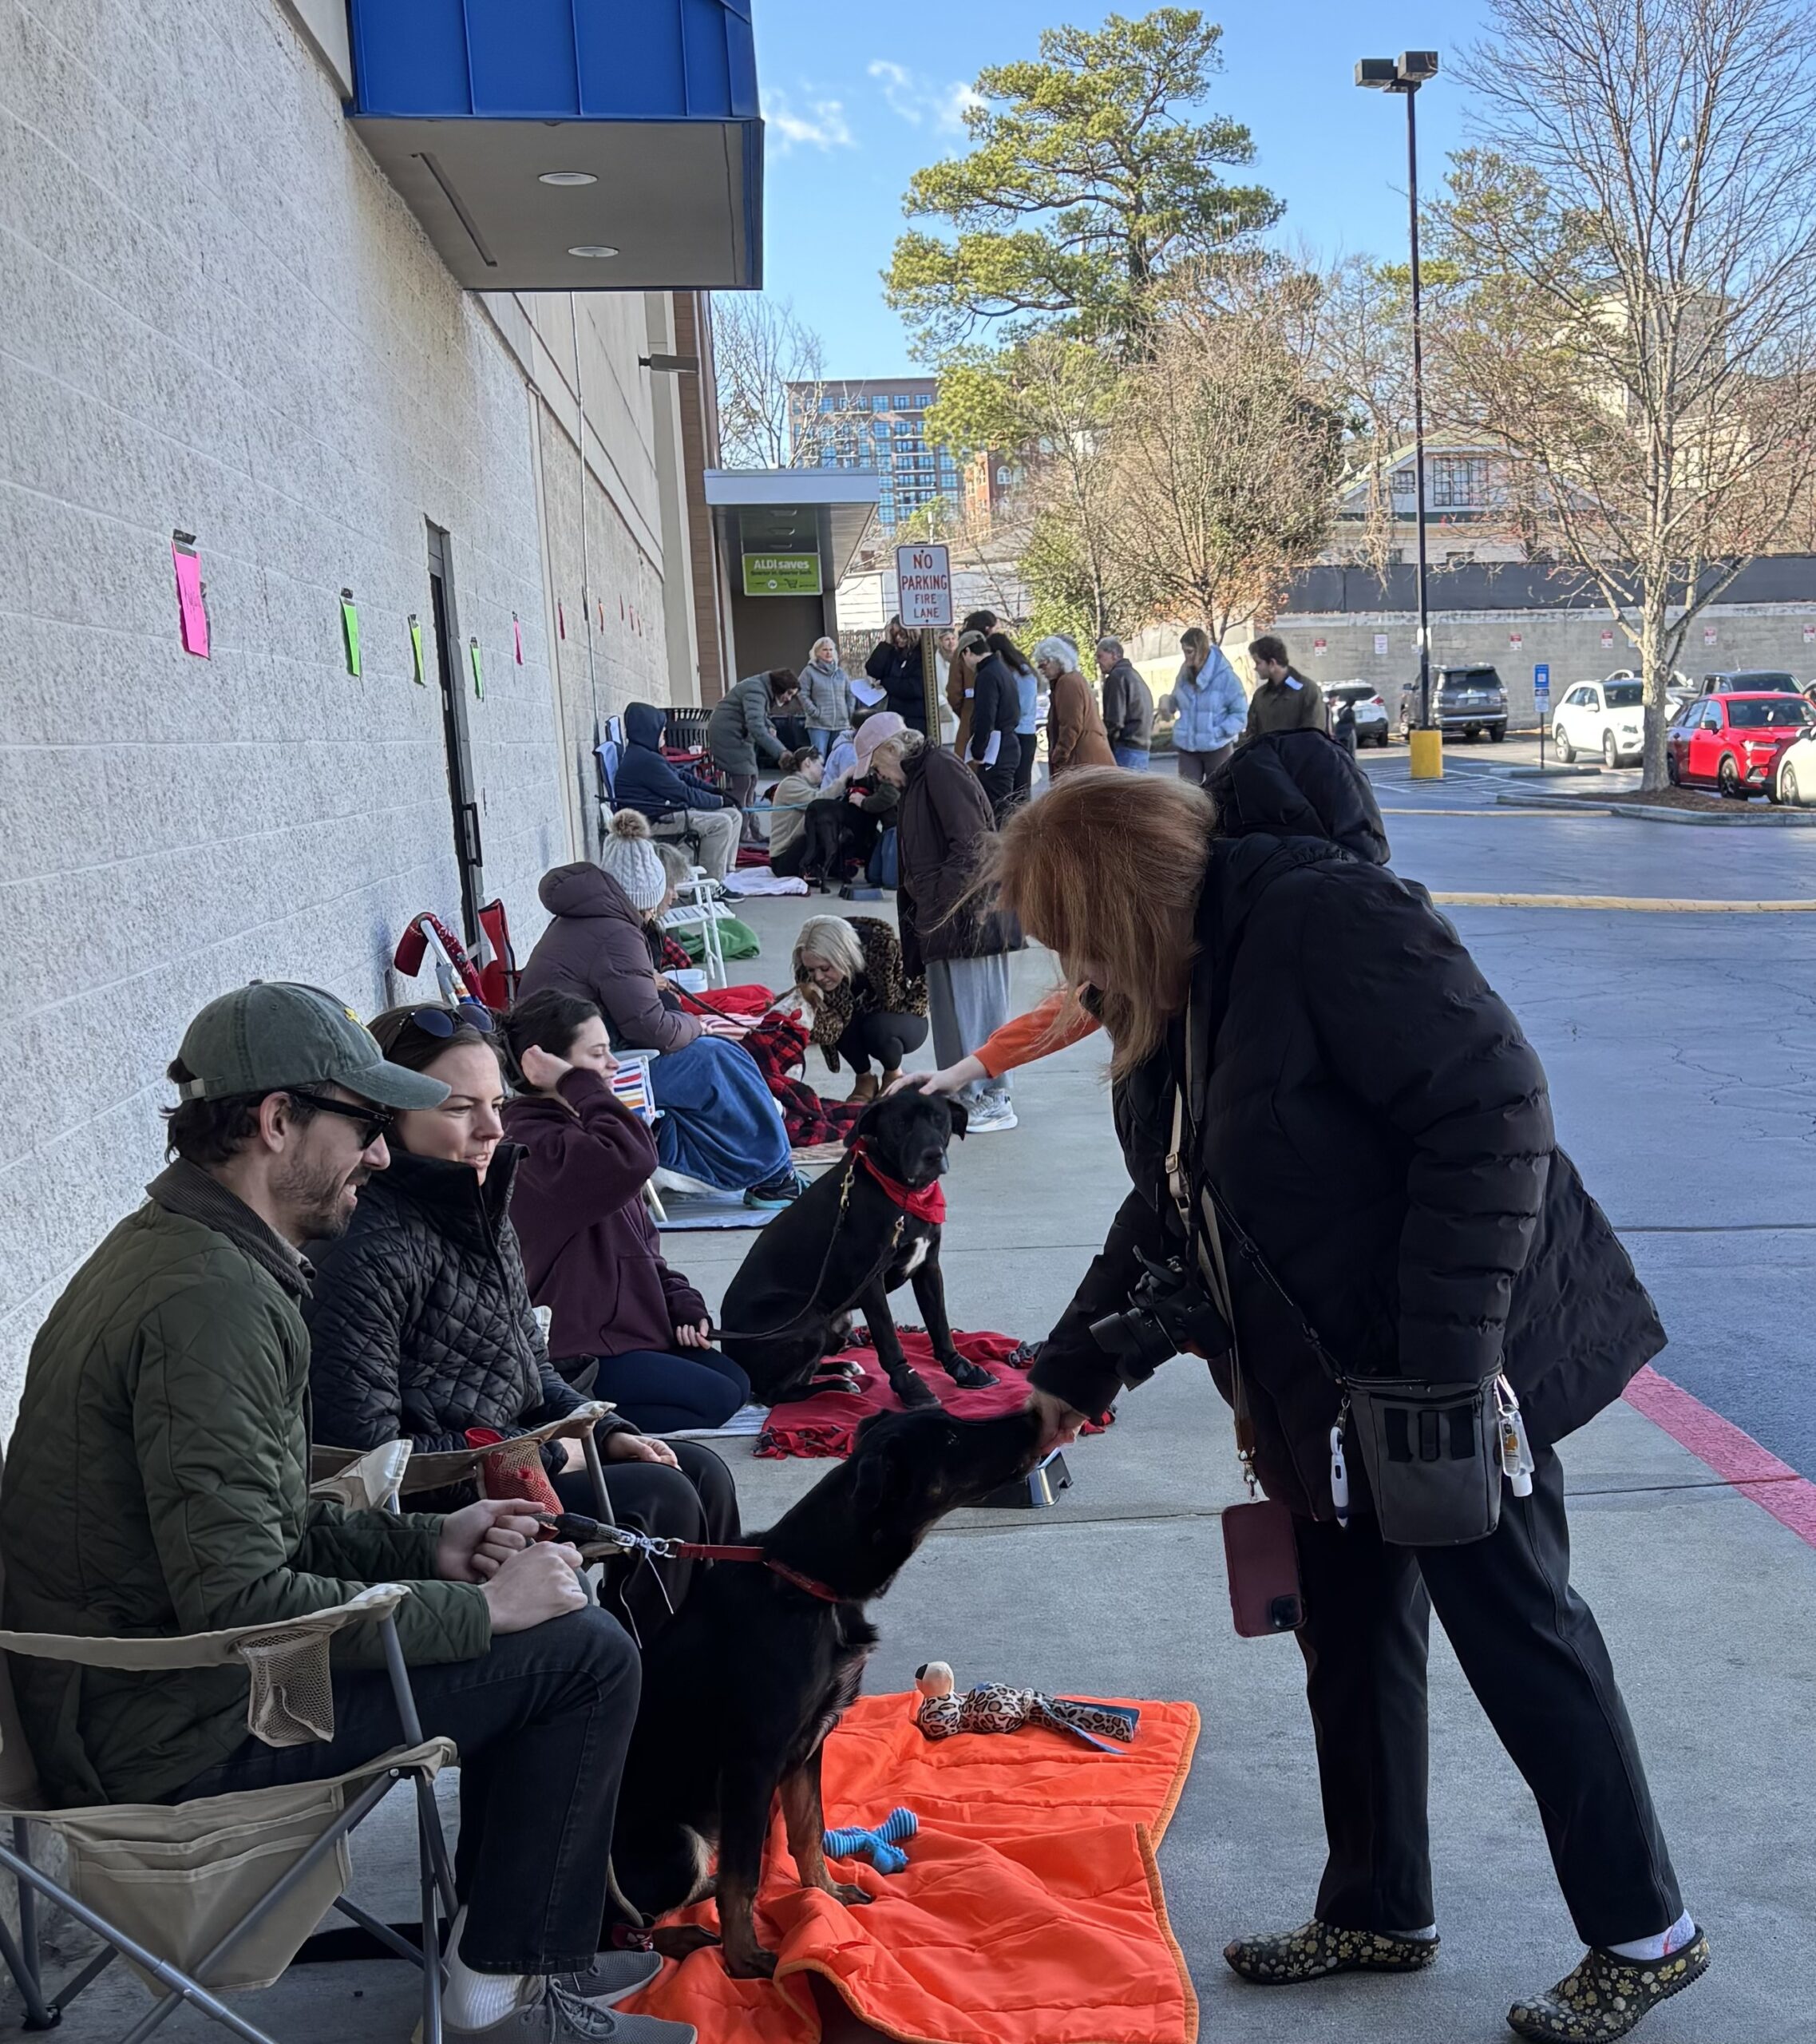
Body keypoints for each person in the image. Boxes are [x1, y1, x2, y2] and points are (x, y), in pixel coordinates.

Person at [987, 751, 1704, 2044]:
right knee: (1350, 1644)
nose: (1072, 977)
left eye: (1077, 937)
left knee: (1520, 1637)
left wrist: (1439, 1374)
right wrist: (1064, 1380)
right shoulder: (1177, 1002)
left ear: (1131, 899)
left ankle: (1645, 1931)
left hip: (1457, 1363)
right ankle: (1379, 1904)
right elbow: (1168, 1210)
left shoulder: (1323, 921)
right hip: (1332, 1386)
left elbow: (1496, 1112)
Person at [0, 982, 689, 2044]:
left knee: (554, 1622)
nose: (380, 1154)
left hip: (152, 1683)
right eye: (363, 1125)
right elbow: (237, 1595)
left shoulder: (197, 1255)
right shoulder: (208, 1302)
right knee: (581, 1657)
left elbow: (261, 1527)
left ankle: (498, 1963)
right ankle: (509, 1997)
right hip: (162, 1727)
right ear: (275, 1123)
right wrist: (481, 1613)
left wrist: (436, 1540)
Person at [305, 1004, 740, 1640]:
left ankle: (715, 1661)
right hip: (448, 1508)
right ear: (389, 1117)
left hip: (516, 1462)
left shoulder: (478, 1207)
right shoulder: (365, 1245)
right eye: (459, 1109)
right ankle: (647, 1687)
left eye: (497, 1104)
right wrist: (555, 1451)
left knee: (697, 1468)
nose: (490, 1130)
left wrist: (611, 1432)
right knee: (662, 1497)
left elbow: (530, 1367)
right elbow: (370, 1455)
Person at [498, 991, 752, 1435]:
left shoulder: (584, 1129)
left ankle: (597, 1420)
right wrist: (580, 1083)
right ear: (544, 1066)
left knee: (734, 1380)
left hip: (627, 1329)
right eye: (597, 1055)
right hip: (579, 1350)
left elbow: (644, 1250)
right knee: (718, 1397)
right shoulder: (531, 1141)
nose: (612, 1066)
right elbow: (633, 1158)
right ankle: (567, 1425)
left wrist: (681, 1304)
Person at [519, 833, 801, 1208]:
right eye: (663, 892)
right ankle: (773, 1173)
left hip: (566, 1054)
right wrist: (697, 1025)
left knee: (718, 1055)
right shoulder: (617, 934)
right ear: (646, 896)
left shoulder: (582, 920)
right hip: (583, 1070)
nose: (669, 900)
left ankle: (766, 1162)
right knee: (717, 1059)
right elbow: (654, 1030)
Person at [868, 725, 1019, 1134]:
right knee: (953, 1014)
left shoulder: (939, 768)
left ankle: (995, 1097)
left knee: (979, 1010)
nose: (876, 775)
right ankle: (965, 1093)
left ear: (892, 748)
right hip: (943, 919)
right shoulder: (918, 778)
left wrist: (939, 898)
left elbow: (973, 843)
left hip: (969, 917)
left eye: (876, 763)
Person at [791, 914, 928, 1103]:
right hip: (859, 1020)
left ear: (842, 955)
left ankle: (893, 1075)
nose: (818, 977)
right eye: (811, 970)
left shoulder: (885, 951)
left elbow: (924, 986)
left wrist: (911, 1001)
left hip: (902, 1019)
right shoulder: (808, 972)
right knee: (837, 1023)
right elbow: (825, 1029)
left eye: (825, 968)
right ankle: (864, 1078)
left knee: (879, 1027)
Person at [611, 703, 740, 881]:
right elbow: (684, 793)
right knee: (721, 823)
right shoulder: (646, 761)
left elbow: (683, 776)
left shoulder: (646, 754)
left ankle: (725, 873)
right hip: (654, 819)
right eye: (662, 730)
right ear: (649, 730)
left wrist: (716, 792)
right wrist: (719, 802)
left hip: (665, 811)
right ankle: (712, 883)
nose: (664, 734)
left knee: (734, 815)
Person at [707, 668, 801, 832]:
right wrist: (782, 753)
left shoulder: (760, 688)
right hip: (729, 737)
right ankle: (741, 833)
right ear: (780, 687)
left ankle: (753, 830)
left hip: (738, 736)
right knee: (743, 782)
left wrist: (770, 727)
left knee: (751, 781)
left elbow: (759, 717)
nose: (789, 698)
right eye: (789, 693)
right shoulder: (756, 690)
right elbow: (756, 725)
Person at [1158, 627, 1248, 787]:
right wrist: (1166, 702)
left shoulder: (1226, 677)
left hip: (1217, 747)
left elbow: (1240, 714)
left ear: (1201, 650)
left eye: (1190, 651)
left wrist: (1218, 732)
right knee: (1187, 796)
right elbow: (1176, 702)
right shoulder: (1184, 673)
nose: (1186, 657)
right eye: (1184, 652)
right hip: (1188, 747)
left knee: (1220, 794)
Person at [951, 628, 1022, 816]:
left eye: (963, 658)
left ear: (967, 652)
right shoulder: (1002, 669)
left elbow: (985, 716)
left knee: (996, 811)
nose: (965, 665)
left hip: (996, 750)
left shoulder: (986, 675)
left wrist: (977, 751)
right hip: (1010, 744)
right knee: (1005, 806)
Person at [1034, 636, 1115, 776]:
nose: (1041, 670)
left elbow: (1071, 725)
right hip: (1087, 759)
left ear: (1058, 660)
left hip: (1082, 761)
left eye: (1044, 664)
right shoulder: (1071, 679)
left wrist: (1059, 755)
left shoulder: (1067, 682)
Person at [1243, 632, 1325, 739]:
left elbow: (1315, 734)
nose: (1255, 668)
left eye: (1258, 662)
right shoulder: (1260, 695)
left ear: (1272, 663)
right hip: (1266, 754)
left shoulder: (1307, 691)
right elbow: (1252, 733)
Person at [763, 745, 825, 879]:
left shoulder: (803, 784)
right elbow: (817, 801)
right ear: (808, 763)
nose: (823, 770)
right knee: (816, 836)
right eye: (820, 764)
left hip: (790, 853)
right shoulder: (790, 784)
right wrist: (842, 780)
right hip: (782, 861)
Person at [1096, 637, 1153, 770]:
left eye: (1100, 656)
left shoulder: (1117, 677)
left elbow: (1114, 720)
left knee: (1122, 790)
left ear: (1114, 655)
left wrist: (1105, 747)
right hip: (1141, 747)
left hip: (1126, 747)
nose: (1098, 661)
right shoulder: (1134, 675)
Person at [864, 617, 928, 732]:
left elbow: (914, 687)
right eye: (894, 634)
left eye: (901, 634)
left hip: (916, 717)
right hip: (894, 715)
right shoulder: (893, 652)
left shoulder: (921, 654)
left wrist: (886, 682)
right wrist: (887, 643)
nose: (898, 638)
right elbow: (873, 670)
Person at [799, 637, 853, 756]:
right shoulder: (809, 672)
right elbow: (802, 694)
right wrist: (815, 712)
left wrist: (849, 713)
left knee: (840, 757)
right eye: (824, 650)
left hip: (841, 724)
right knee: (819, 758)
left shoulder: (841, 673)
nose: (828, 652)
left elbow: (850, 694)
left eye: (831, 649)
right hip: (818, 725)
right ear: (816, 652)